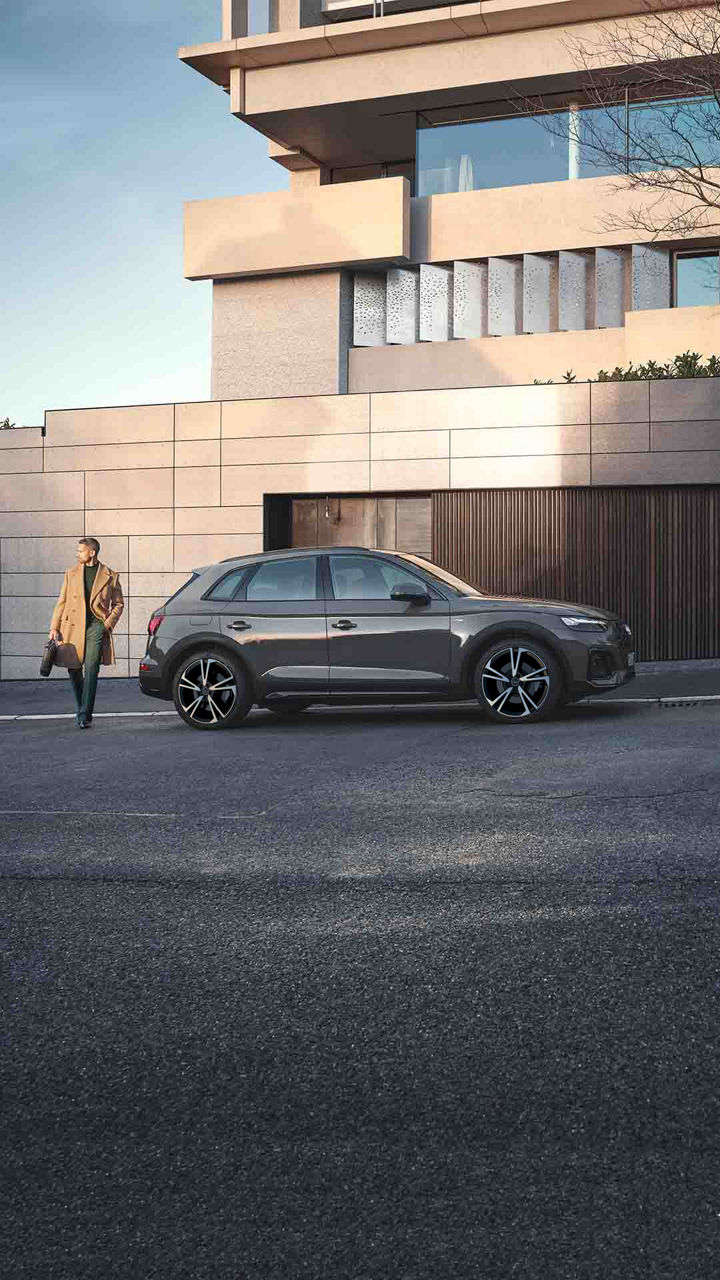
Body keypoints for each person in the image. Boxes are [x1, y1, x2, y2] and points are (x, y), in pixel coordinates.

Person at [48, 538, 125, 728]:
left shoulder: (110, 575)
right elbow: (62, 602)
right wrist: (54, 627)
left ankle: (84, 715)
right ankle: (83, 706)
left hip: (96, 627)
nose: (77, 554)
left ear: (92, 552)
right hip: (72, 626)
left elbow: (119, 604)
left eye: (80, 551)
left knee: (91, 669)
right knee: (73, 668)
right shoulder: (70, 573)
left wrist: (107, 625)